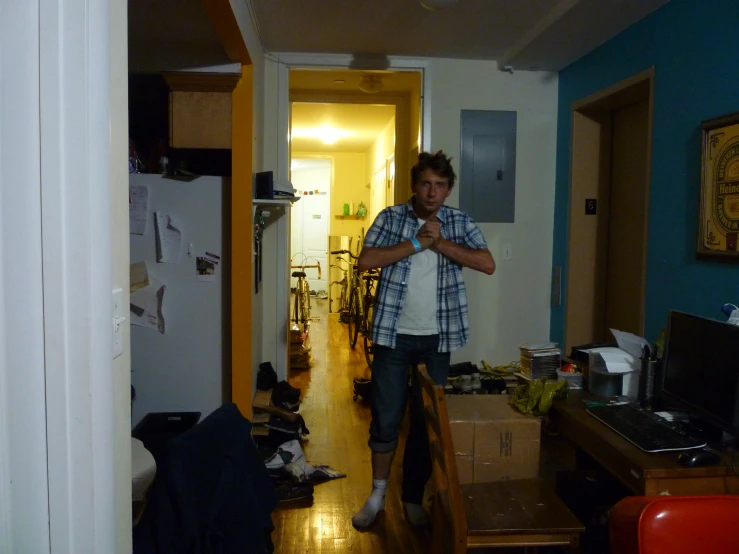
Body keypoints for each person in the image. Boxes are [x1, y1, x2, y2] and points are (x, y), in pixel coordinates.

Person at [352, 150, 495, 529]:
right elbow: (365, 260)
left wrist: (441, 243)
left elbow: (487, 263)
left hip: (437, 340)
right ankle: (377, 495)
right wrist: (417, 243)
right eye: (426, 184)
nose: (432, 192)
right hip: (393, 336)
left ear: (448, 190)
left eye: (440, 186)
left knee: (425, 421)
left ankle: (413, 496)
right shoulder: (391, 217)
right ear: (415, 186)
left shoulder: (458, 221)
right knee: (385, 418)